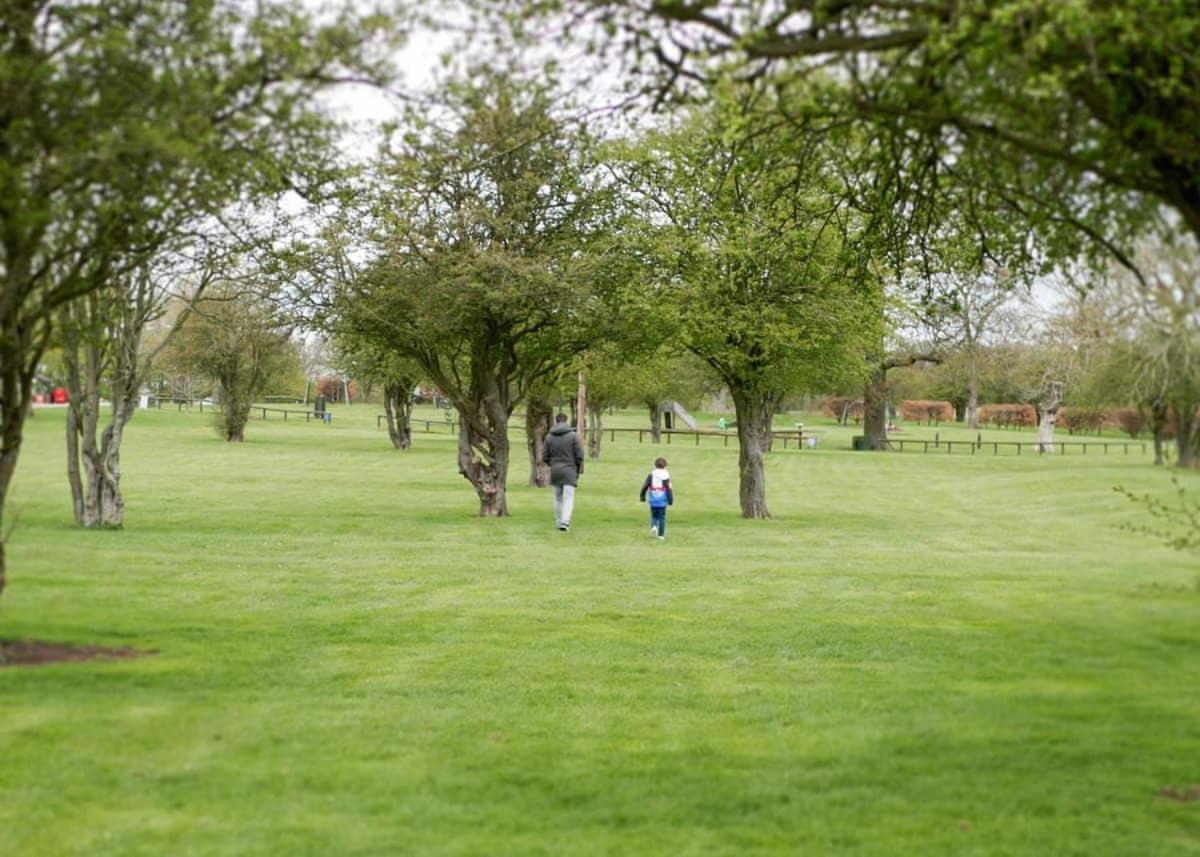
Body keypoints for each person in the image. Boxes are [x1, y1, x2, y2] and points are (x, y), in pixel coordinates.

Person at [542, 413, 584, 532]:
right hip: (570, 470)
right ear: (566, 421)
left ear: (556, 421)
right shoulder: (573, 436)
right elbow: (579, 455)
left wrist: (553, 464)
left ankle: (559, 521)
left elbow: (545, 456)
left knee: (558, 498)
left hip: (555, 470)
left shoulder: (549, 437)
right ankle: (565, 522)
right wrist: (576, 467)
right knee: (568, 497)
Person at [639, 456, 673, 540]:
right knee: (662, 517)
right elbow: (668, 489)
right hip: (662, 500)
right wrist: (670, 499)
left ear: (655, 465)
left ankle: (654, 526)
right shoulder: (666, 476)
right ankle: (661, 535)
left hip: (653, 499)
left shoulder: (651, 475)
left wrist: (642, 496)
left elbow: (645, 486)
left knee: (654, 516)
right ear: (665, 466)